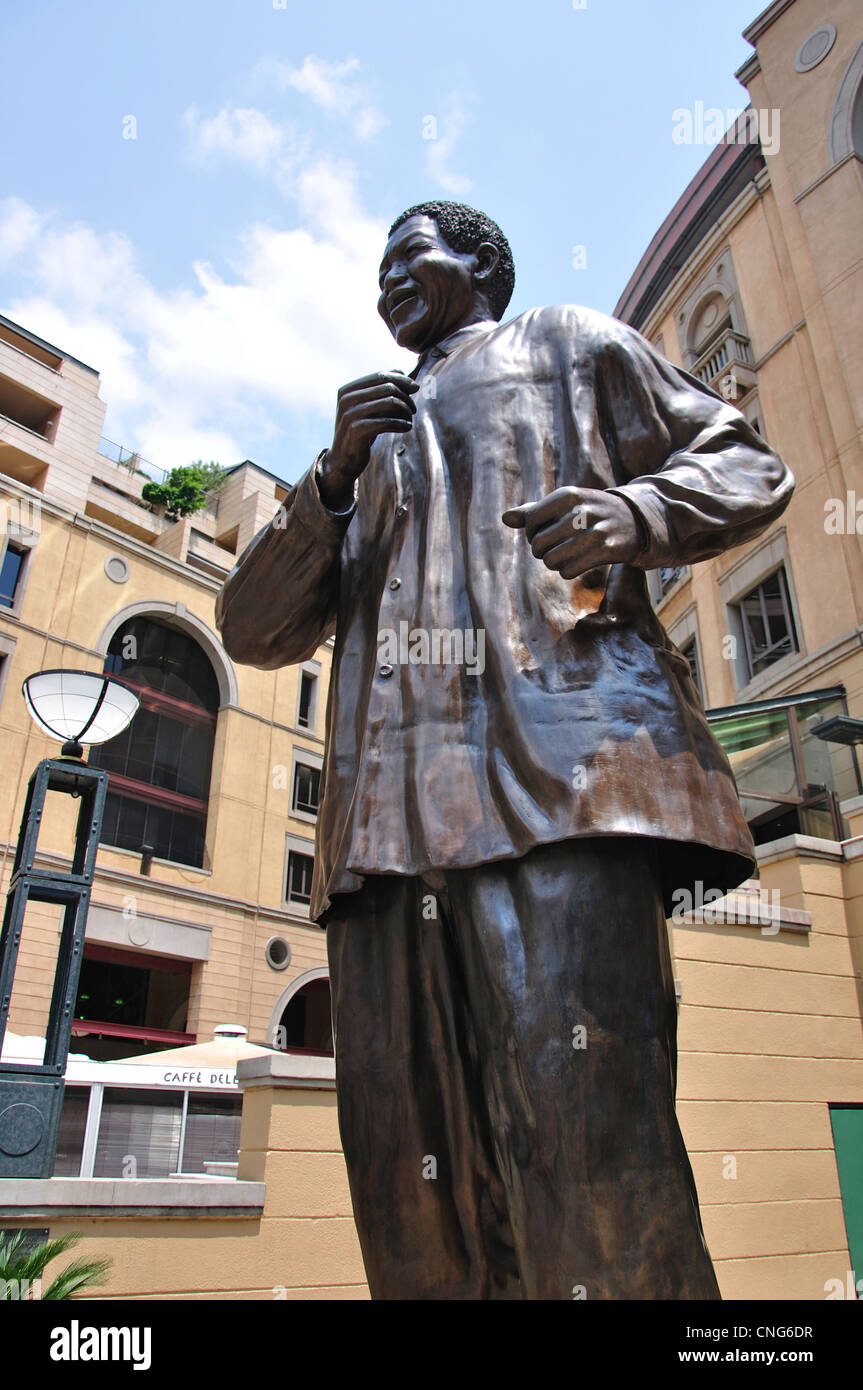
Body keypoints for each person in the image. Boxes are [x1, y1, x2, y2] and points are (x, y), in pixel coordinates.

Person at [216, 200, 794, 1299]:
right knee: (405, 1188)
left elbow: (746, 463)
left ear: (477, 262)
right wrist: (330, 481)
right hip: (382, 846)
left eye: (406, 255)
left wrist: (634, 513)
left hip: (559, 792)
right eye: (374, 264)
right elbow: (252, 628)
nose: (384, 278)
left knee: (587, 1153)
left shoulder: (567, 344)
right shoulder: (361, 447)